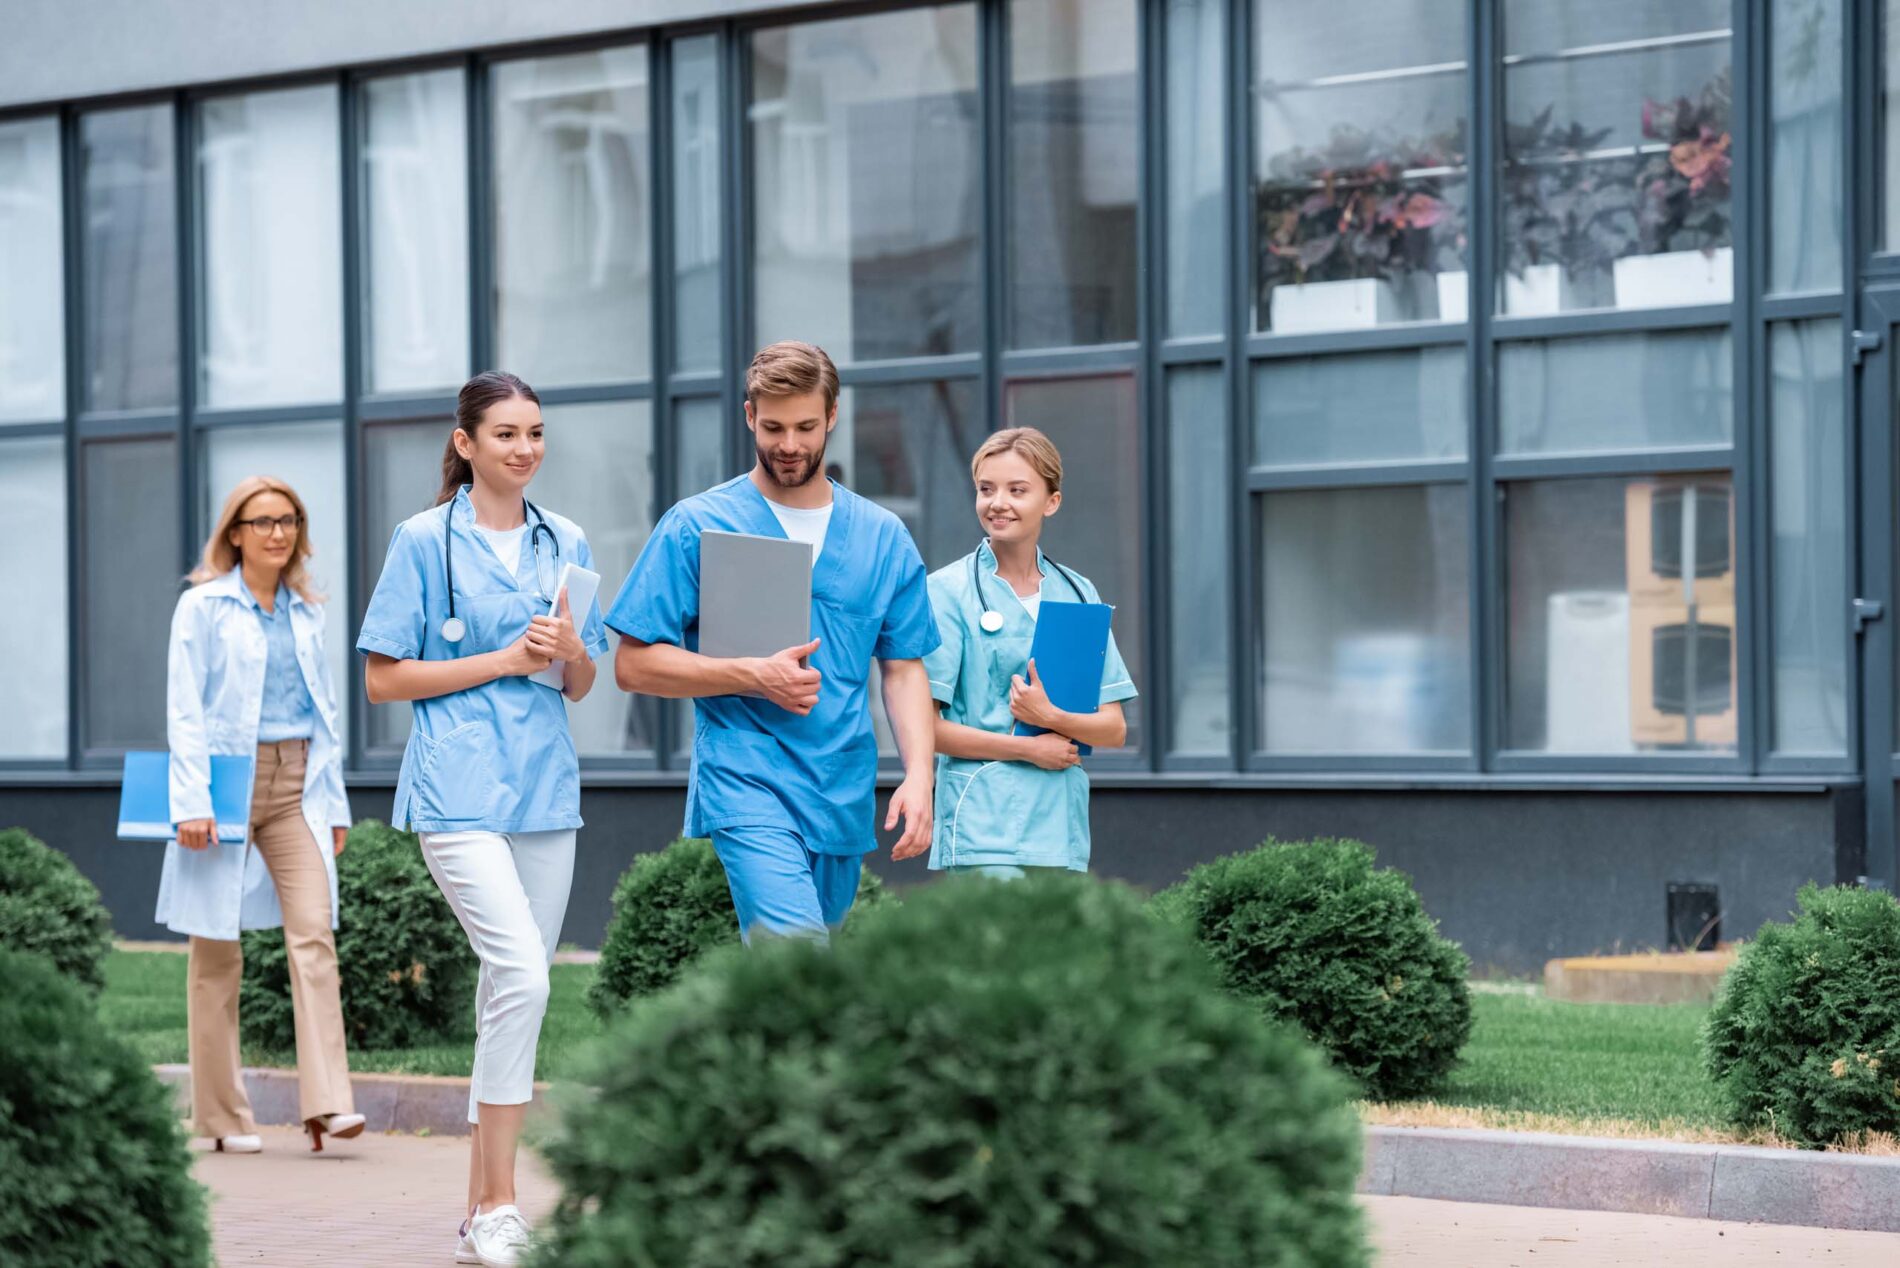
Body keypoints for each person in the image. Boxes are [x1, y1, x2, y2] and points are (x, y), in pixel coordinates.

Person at [356, 371, 607, 1268]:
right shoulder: (423, 541)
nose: (525, 449)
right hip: (458, 792)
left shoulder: (565, 540)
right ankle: (502, 1204)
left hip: (544, 792)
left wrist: (571, 652)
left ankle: (479, 1219)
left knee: (512, 993)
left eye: (535, 432)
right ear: (465, 443)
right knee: (524, 979)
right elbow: (385, 678)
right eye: (505, 434)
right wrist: (504, 657)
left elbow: (580, 684)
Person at [608, 341, 938, 940]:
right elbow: (633, 665)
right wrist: (750, 675)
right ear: (749, 416)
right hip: (746, 775)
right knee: (796, 954)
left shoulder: (883, 536)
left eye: (807, 427)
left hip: (840, 785)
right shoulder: (697, 525)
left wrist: (919, 775)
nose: (789, 445)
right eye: (774, 426)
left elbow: (903, 667)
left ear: (832, 416)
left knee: (802, 985)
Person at [160, 476, 364, 1155]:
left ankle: (329, 1106)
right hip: (223, 787)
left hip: (296, 784)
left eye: (289, 520)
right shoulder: (203, 607)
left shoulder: (308, 611)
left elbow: (326, 717)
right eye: (263, 520)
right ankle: (221, 1117)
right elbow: (185, 707)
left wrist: (333, 805)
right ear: (236, 533)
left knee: (314, 935)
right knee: (216, 949)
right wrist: (189, 802)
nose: (278, 532)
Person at [923, 428, 1137, 877]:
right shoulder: (948, 591)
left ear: (1051, 501)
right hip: (983, 823)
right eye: (986, 489)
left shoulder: (1078, 593)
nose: (998, 502)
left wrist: (1051, 717)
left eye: (1016, 490)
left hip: (1060, 826)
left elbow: (1113, 729)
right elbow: (925, 729)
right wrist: (1028, 751)